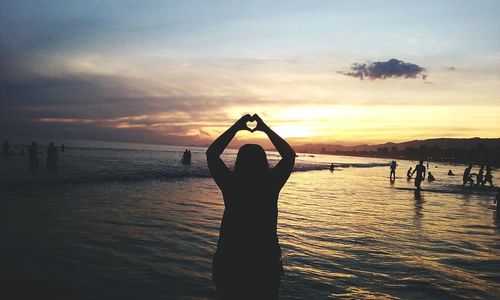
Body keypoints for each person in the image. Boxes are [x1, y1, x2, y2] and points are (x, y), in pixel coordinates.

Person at [206, 114, 295, 299]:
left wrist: (237, 127)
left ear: (239, 162)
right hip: (264, 263)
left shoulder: (232, 185)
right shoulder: (269, 185)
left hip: (230, 261)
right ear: (264, 162)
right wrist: (265, 128)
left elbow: (212, 154)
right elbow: (289, 156)